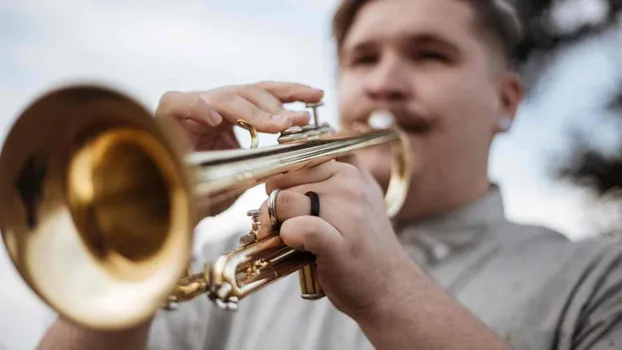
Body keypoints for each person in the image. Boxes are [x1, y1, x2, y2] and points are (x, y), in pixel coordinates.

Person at [37, 0, 622, 349]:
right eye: (363, 59)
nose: (384, 83)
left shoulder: (598, 277)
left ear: (506, 101)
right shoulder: (209, 264)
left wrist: (391, 294)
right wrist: (137, 228)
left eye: (429, 55)